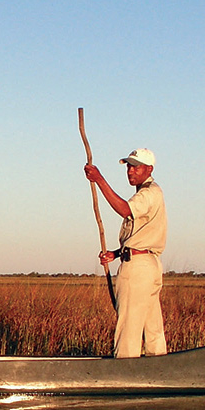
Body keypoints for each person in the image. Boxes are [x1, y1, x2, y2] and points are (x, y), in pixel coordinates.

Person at [84, 148, 167, 359]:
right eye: (129, 166)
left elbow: (124, 209)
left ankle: (125, 366)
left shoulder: (149, 193)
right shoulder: (148, 193)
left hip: (138, 269)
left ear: (149, 169)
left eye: (136, 167)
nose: (130, 171)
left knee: (129, 325)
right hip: (148, 265)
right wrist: (116, 253)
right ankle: (158, 367)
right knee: (152, 327)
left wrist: (99, 180)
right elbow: (140, 236)